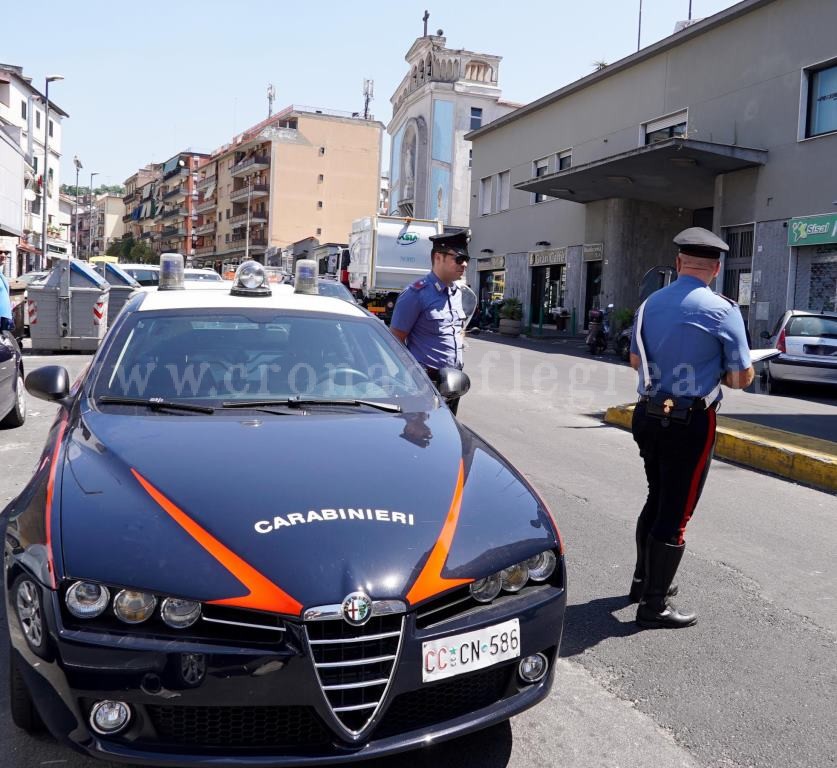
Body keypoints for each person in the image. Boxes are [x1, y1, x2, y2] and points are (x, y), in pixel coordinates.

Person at [628, 227, 754, 629]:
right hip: (690, 420)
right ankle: (654, 604)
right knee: (677, 512)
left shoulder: (649, 304)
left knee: (656, 495)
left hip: (647, 413)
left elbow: (635, 361)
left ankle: (643, 579)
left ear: (679, 263)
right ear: (716, 269)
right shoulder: (723, 310)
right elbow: (739, 378)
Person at [390, 229, 470, 415]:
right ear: (438, 258)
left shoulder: (457, 293)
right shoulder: (416, 294)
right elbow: (395, 341)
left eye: (467, 259)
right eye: (458, 258)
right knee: (419, 437)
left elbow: (456, 329)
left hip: (452, 382)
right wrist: (414, 378)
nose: (464, 264)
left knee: (446, 433)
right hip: (425, 383)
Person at [0, 250, 15, 333]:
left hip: (5, 321)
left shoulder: (2, 276)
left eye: (5, 253)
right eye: (0, 252)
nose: (3, 255)